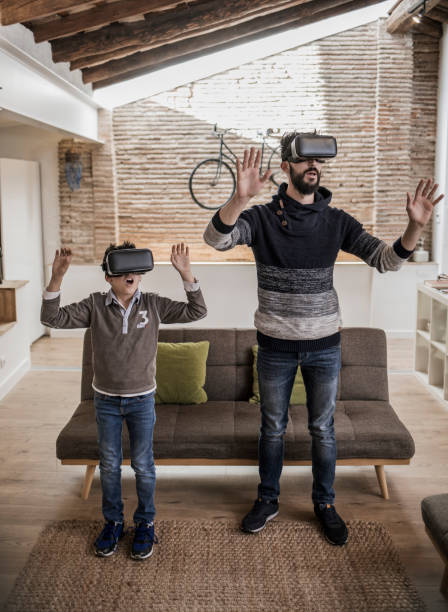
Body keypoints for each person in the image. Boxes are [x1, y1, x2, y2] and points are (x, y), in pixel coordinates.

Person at [203, 131, 444, 545]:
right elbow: (216, 239)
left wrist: (413, 227)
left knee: (322, 429)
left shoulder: (337, 221)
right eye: (303, 160)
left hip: (325, 348)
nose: (313, 166)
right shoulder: (261, 218)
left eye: (318, 161)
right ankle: (267, 499)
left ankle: (325, 503)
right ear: (286, 167)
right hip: (275, 347)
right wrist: (239, 198)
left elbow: (386, 261)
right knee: (273, 428)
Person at [41, 241, 207, 559]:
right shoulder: (94, 305)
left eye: (135, 269)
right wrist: (56, 279)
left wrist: (186, 273)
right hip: (105, 401)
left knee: (144, 466)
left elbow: (196, 311)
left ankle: (145, 524)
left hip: (142, 400)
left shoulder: (155, 305)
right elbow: (53, 319)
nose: (130, 274)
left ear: (142, 273)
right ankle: (113, 522)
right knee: (110, 465)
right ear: (109, 276)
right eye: (122, 269)